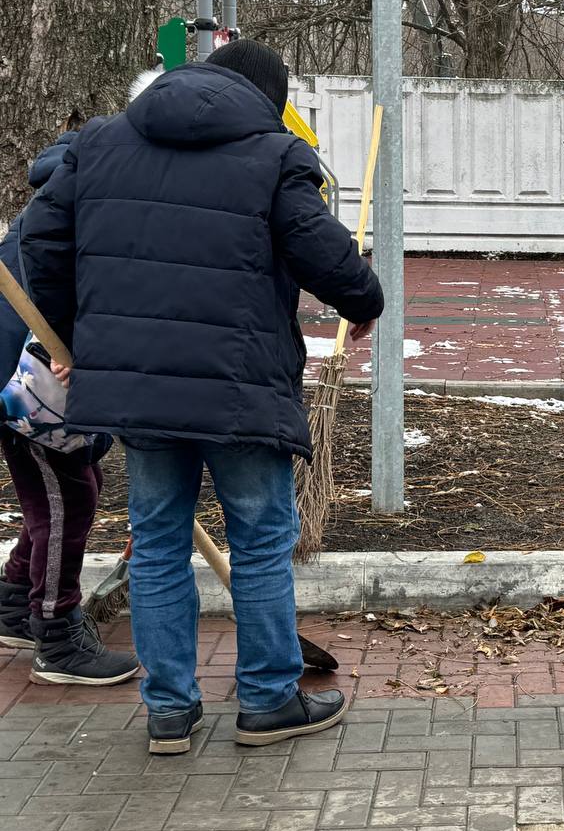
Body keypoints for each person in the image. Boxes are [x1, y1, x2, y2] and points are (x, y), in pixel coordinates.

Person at [21, 39, 384, 752]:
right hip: (241, 384)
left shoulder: (101, 142)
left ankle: (169, 711)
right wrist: (361, 298)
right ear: (269, 101)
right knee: (259, 541)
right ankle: (268, 702)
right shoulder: (275, 154)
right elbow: (323, 249)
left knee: (157, 542)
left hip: (142, 385)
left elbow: (41, 240)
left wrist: (72, 335)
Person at [0, 133, 139, 687]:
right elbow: (66, 290)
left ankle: (15, 600)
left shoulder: (59, 199)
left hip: (32, 377)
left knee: (70, 488)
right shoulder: (78, 213)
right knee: (66, 499)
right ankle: (56, 634)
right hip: (23, 385)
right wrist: (76, 348)